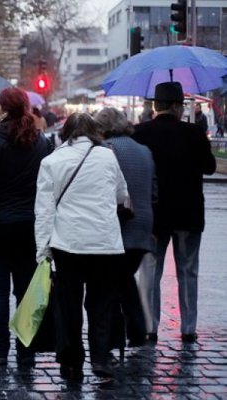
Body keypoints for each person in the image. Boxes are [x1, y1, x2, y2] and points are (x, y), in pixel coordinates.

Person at [35, 113, 128, 380]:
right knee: (101, 305)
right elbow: (121, 193)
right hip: (105, 244)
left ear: (65, 133)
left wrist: (43, 252)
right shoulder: (108, 156)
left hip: (68, 244)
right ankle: (100, 359)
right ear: (94, 132)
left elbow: (44, 212)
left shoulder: (51, 161)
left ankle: (71, 361)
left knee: (69, 305)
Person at [0, 88, 52, 366]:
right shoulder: (41, 143)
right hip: (29, 227)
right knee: (26, 292)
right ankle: (26, 351)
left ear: (3, 110)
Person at [133, 82, 216, 344]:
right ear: (179, 107)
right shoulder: (193, 133)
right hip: (189, 213)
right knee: (188, 271)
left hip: (155, 214)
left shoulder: (141, 132)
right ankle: (188, 327)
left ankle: (150, 326)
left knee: (150, 271)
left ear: (155, 106)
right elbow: (210, 167)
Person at [95, 108, 156, 350]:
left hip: (118, 225)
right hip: (143, 224)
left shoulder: (107, 149)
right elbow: (154, 189)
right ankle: (135, 330)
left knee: (112, 282)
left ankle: (123, 333)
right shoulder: (144, 150)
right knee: (124, 278)